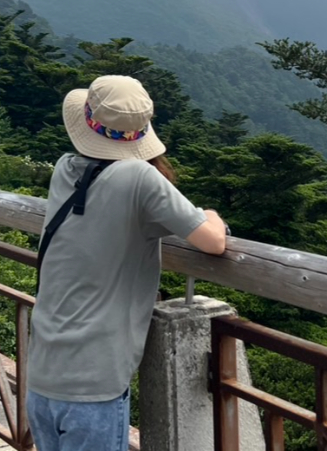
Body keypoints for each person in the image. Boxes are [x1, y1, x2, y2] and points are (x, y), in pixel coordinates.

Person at [25, 74, 229, 451]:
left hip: (42, 373)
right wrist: (211, 214)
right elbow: (212, 241)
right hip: (93, 382)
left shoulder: (65, 168)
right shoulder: (139, 177)